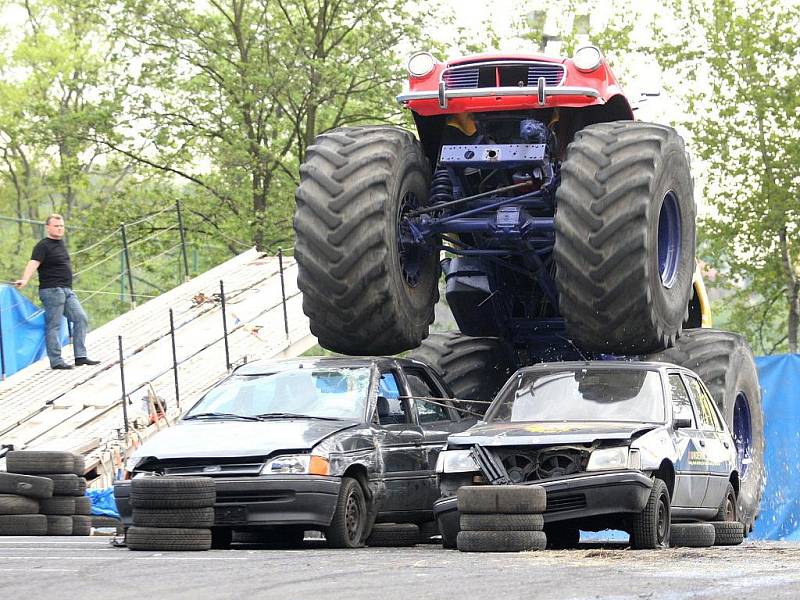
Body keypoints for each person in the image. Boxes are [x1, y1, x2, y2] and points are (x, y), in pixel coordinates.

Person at [15, 214, 100, 370]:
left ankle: (80, 356)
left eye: (61, 226)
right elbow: (33, 263)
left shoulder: (61, 244)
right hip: (52, 290)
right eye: (56, 226)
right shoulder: (42, 245)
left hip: (67, 290)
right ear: (48, 227)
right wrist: (25, 279)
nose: (60, 229)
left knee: (81, 318)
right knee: (54, 325)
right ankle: (56, 360)